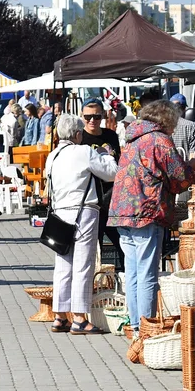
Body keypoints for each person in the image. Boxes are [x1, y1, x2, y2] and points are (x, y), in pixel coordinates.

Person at [108, 100, 195, 331]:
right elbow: (180, 177)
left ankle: (135, 325)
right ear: (166, 119)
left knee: (132, 273)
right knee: (147, 274)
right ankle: (146, 327)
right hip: (146, 211)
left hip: (122, 211)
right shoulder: (159, 139)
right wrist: (193, 165)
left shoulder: (132, 139)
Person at [45, 114, 119, 334]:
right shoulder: (85, 152)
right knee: (83, 264)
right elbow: (111, 173)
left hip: (60, 214)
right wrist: (107, 155)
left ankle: (59, 315)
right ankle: (79, 317)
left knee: (63, 264)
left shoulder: (53, 155)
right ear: (78, 134)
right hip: (83, 211)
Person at [79, 99, 123, 269]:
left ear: (103, 116)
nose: (92, 120)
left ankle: (122, 281)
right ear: (82, 116)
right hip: (90, 200)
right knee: (91, 248)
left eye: (96, 116)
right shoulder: (79, 137)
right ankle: (94, 285)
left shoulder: (110, 136)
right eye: (88, 117)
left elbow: (118, 162)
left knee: (121, 243)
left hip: (112, 199)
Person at [170, 93, 195, 160]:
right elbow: (193, 153)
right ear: (184, 109)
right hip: (185, 167)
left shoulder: (163, 124)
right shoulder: (191, 126)